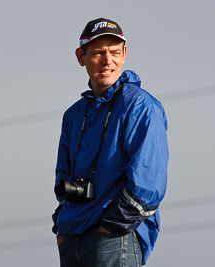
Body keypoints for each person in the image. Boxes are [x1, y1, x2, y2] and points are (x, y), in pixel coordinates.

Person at [52, 18, 168, 267]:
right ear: (80, 56)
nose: (107, 61)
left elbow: (148, 185)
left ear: (124, 54)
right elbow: (63, 176)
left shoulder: (140, 106)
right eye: (98, 53)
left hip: (114, 238)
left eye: (115, 52)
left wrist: (110, 227)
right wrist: (62, 227)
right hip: (72, 238)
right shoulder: (73, 115)